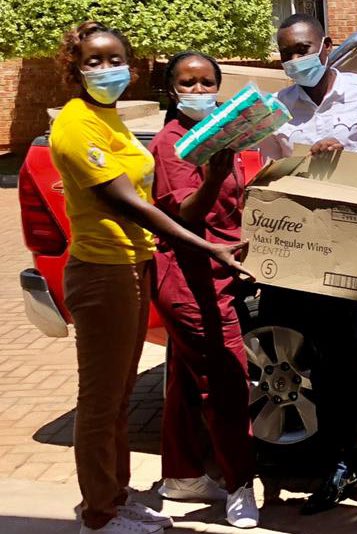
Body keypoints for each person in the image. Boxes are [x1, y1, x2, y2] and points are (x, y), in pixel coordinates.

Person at [50, 21, 250, 534]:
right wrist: (210, 247)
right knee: (100, 401)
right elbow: (128, 202)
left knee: (118, 398)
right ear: (74, 68)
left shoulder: (108, 118)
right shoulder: (76, 125)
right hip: (102, 272)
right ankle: (99, 515)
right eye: (94, 61)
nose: (107, 69)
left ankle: (116, 497)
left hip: (132, 267)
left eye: (116, 58)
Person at [256, 13, 357, 530]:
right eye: (286, 53)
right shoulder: (278, 109)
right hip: (306, 258)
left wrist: (344, 155)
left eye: (303, 48)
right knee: (324, 369)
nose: (295, 60)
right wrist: (307, 160)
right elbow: (270, 178)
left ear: (325, 45)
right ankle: (340, 466)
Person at [148, 51, 258, 529]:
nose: (198, 92)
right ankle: (239, 485)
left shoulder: (216, 138)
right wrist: (214, 176)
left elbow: (233, 202)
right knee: (226, 380)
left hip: (220, 272)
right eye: (187, 84)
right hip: (189, 277)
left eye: (206, 82)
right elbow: (186, 214)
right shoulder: (175, 143)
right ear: (172, 90)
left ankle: (183, 473)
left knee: (187, 377)